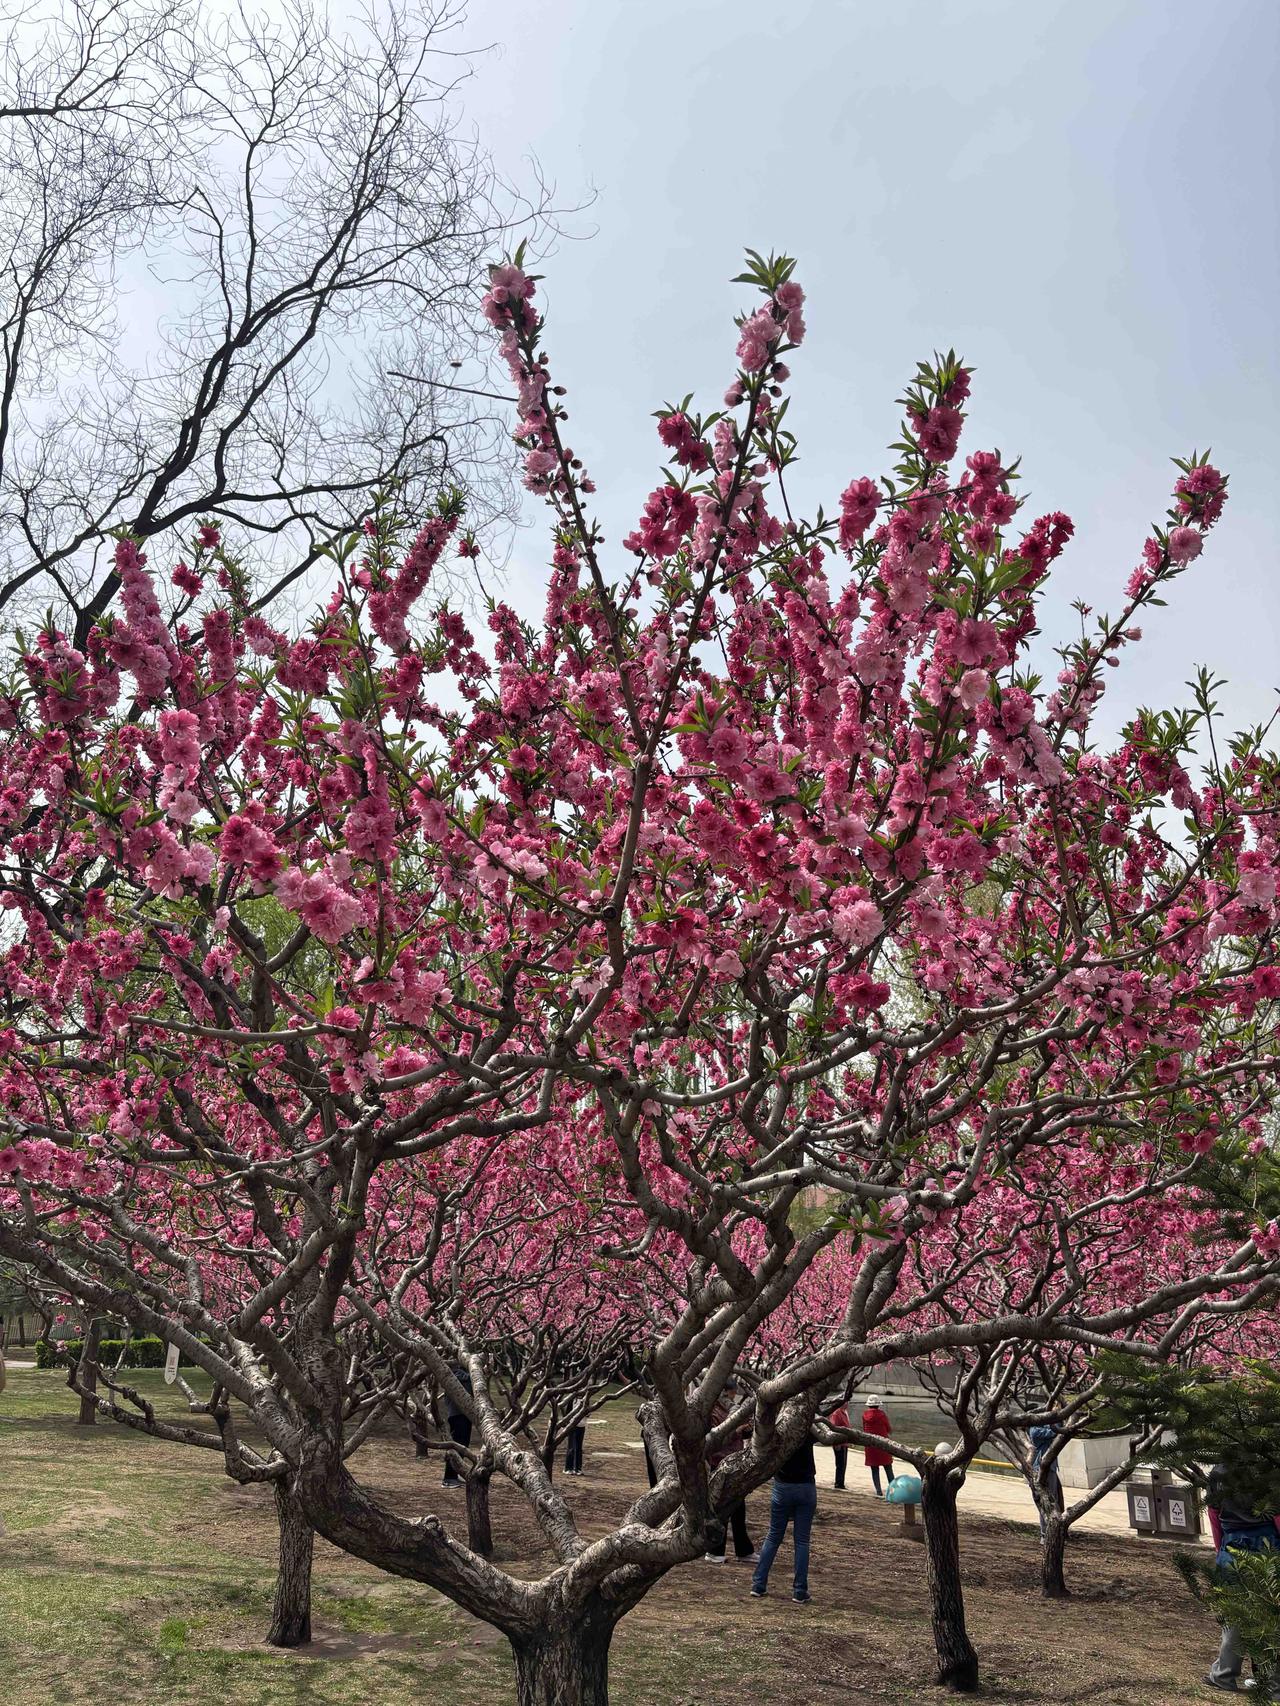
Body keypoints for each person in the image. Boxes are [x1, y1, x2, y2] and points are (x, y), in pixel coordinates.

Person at [1206, 1461, 1280, 1696]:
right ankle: (1273, 1683)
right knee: (1271, 1617)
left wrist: (1221, 1550)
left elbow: (1213, 1514)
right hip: (1268, 1547)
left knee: (1234, 1616)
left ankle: (1224, 1674)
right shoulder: (1268, 1467)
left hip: (1232, 1545)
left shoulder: (1219, 1471)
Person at [751, 1430, 817, 1604]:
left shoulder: (779, 1429)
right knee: (802, 1540)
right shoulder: (806, 1428)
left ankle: (758, 1584)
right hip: (805, 1485)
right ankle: (799, 1590)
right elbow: (821, 1436)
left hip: (783, 1485)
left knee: (773, 1536)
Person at [704, 1385, 756, 1564]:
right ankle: (715, 1550)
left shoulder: (734, 1411)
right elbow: (716, 1438)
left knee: (738, 1509)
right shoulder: (712, 1413)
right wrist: (737, 1431)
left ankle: (744, 1550)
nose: (732, 1398)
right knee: (722, 1509)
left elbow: (742, 1433)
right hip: (720, 1464)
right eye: (731, 1394)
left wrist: (747, 1429)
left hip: (735, 1463)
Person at [1028, 1421, 1064, 1539]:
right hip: (1041, 1469)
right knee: (1045, 1501)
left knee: (1054, 1499)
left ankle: (1054, 1531)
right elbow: (1053, 1432)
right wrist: (1056, 1416)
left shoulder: (1041, 1428)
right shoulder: (1035, 1430)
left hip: (1050, 1468)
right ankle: (1045, 1534)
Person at [441, 1362, 473, 1489]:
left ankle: (455, 1474)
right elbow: (466, 1379)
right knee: (456, 1445)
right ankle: (448, 1478)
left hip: (464, 1413)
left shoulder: (463, 1374)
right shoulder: (454, 1373)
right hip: (457, 1414)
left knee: (463, 1445)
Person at [861, 1394, 893, 1496]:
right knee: (888, 1468)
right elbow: (888, 1428)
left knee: (874, 1469)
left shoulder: (864, 1415)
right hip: (882, 1444)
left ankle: (879, 1491)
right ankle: (893, 1490)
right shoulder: (882, 1415)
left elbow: (864, 1429)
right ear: (878, 1405)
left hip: (870, 1445)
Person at [829, 1397, 850, 1490]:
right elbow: (834, 1427)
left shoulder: (844, 1412)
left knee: (843, 1463)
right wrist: (836, 1443)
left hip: (845, 1442)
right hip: (840, 1442)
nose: (847, 1404)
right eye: (845, 1402)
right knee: (840, 1463)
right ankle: (839, 1483)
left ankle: (841, 1481)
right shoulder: (837, 1413)